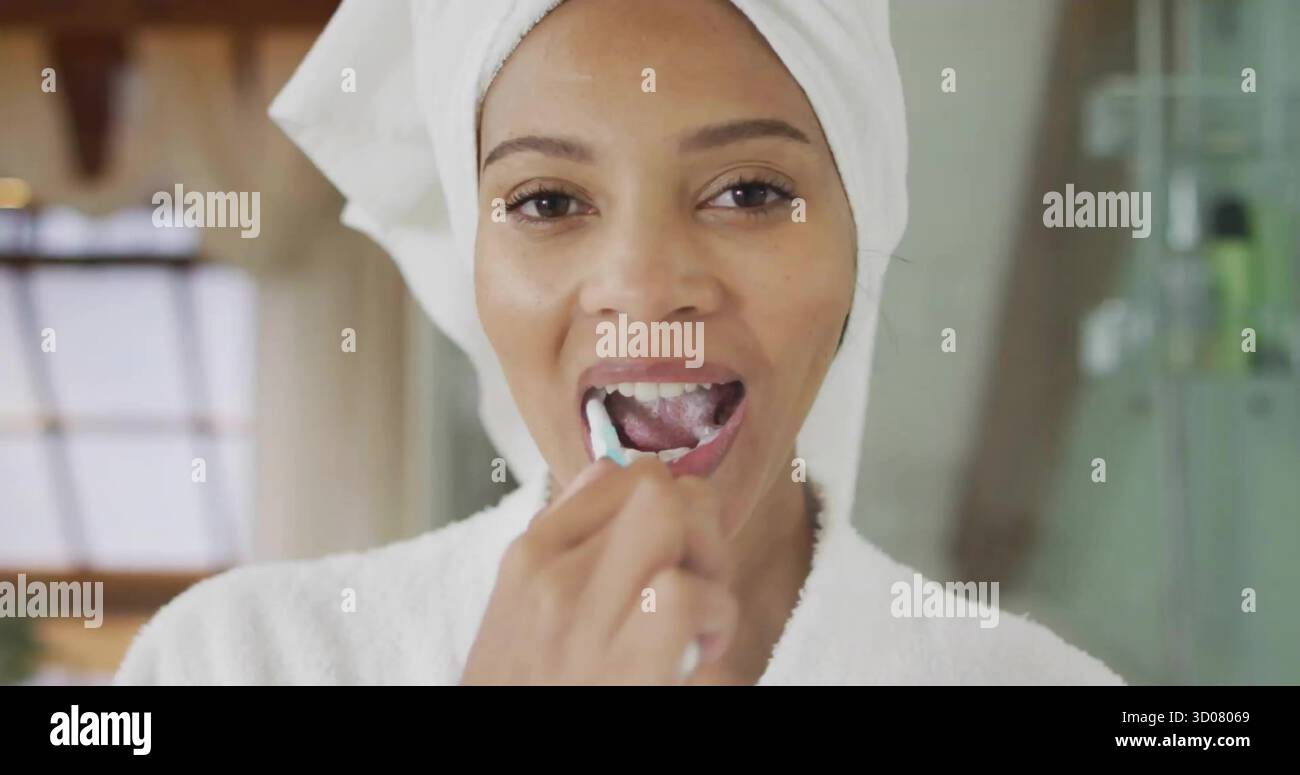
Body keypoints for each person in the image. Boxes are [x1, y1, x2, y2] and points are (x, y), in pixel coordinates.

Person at [115, 0, 1122, 685]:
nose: (643, 289)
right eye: (547, 199)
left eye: (749, 192)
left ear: (861, 235)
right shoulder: (241, 665)